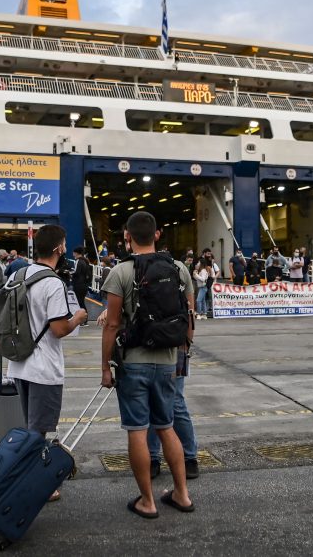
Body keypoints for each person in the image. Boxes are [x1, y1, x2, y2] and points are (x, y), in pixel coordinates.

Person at [101, 211, 195, 519]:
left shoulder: (120, 272)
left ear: (126, 236)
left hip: (134, 363)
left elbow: (112, 325)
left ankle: (147, 501)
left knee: (137, 431)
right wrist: (183, 355)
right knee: (167, 427)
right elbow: (189, 317)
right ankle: (181, 494)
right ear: (157, 234)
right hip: (169, 362)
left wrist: (105, 367)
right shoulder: (179, 268)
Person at [8, 225, 88, 503]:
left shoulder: (19, 275)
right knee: (38, 431)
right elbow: (59, 329)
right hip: (43, 367)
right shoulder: (52, 283)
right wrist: (79, 316)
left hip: (19, 364)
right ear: (58, 248)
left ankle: (27, 477)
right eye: (64, 244)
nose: (65, 249)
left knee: (32, 427)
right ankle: (36, 483)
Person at [72, 247, 92, 322]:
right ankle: (85, 319)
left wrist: (69, 273)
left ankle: (83, 319)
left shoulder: (78, 261)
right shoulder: (85, 261)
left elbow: (76, 272)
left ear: (76, 253)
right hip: (84, 284)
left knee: (79, 302)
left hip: (78, 284)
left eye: (73, 252)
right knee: (81, 302)